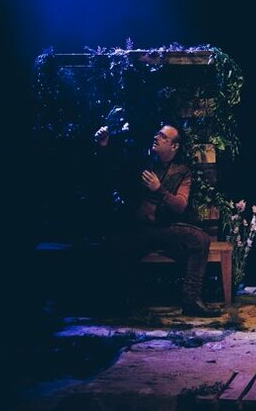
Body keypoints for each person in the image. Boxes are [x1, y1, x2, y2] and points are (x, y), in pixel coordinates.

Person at [94, 124, 221, 317]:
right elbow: (114, 172)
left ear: (174, 146)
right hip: (137, 229)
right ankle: (127, 304)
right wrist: (104, 146)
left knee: (200, 239)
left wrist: (159, 189)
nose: (156, 138)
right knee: (113, 243)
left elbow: (180, 205)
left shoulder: (182, 171)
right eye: (157, 134)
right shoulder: (141, 163)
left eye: (163, 137)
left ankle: (191, 300)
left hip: (164, 228)